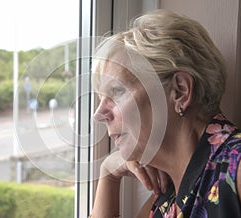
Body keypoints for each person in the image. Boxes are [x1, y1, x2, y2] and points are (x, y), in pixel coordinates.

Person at [89, 9, 241, 217]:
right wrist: (108, 173)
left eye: (116, 91)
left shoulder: (236, 167)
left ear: (180, 91)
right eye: (100, 98)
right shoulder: (166, 200)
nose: (98, 114)